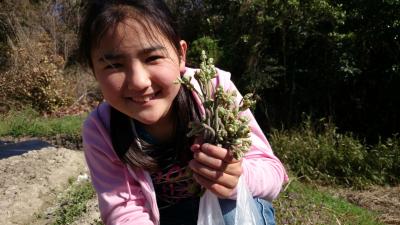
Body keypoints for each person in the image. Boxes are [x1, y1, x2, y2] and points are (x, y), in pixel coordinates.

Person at [77, 1, 288, 224]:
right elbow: (125, 211)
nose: (138, 82)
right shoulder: (101, 130)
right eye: (114, 65)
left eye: (152, 58)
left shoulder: (214, 91)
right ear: (93, 70)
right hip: (167, 217)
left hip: (229, 208)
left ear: (180, 55)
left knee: (230, 211)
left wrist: (238, 177)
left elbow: (272, 172)